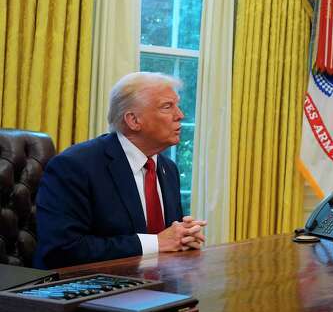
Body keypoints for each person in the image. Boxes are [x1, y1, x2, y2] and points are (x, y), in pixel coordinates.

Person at [34, 72, 206, 269]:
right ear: (133, 120)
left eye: (177, 105)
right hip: (89, 290)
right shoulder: (74, 166)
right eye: (167, 107)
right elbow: (62, 249)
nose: (180, 115)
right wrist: (157, 242)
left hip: (155, 288)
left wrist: (183, 238)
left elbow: (167, 241)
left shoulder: (168, 168)